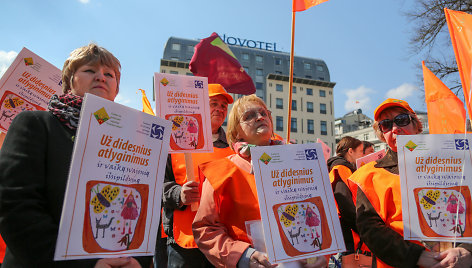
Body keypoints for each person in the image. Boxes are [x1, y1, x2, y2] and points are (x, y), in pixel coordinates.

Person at [0, 44, 150, 268]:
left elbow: (142, 211)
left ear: (116, 88)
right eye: (90, 70)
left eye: (109, 74)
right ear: (70, 80)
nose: (101, 77)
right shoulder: (35, 124)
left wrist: (137, 260)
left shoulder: (132, 143)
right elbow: (15, 204)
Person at [192, 95, 327, 268]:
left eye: (264, 113)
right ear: (236, 132)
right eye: (249, 116)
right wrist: (243, 256)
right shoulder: (221, 173)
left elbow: (321, 217)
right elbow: (205, 229)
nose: (260, 117)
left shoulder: (299, 166)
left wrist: (322, 253)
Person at [348, 98, 472, 268]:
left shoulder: (451, 163)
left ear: (416, 125)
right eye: (386, 124)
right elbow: (370, 229)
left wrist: (467, 251)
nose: (395, 129)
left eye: (402, 120)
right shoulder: (368, 175)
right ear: (382, 134)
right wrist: (416, 256)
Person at [161, 84, 234, 268]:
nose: (219, 108)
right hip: (184, 243)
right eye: (213, 103)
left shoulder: (235, 149)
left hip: (224, 242)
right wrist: (179, 195)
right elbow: (156, 184)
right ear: (199, 106)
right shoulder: (174, 142)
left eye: (224, 106)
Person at [326, 136, 365, 254]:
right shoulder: (341, 168)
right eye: (360, 152)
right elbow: (345, 204)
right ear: (350, 151)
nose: (362, 155)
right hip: (349, 231)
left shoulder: (340, 168)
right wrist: (363, 229)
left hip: (346, 229)